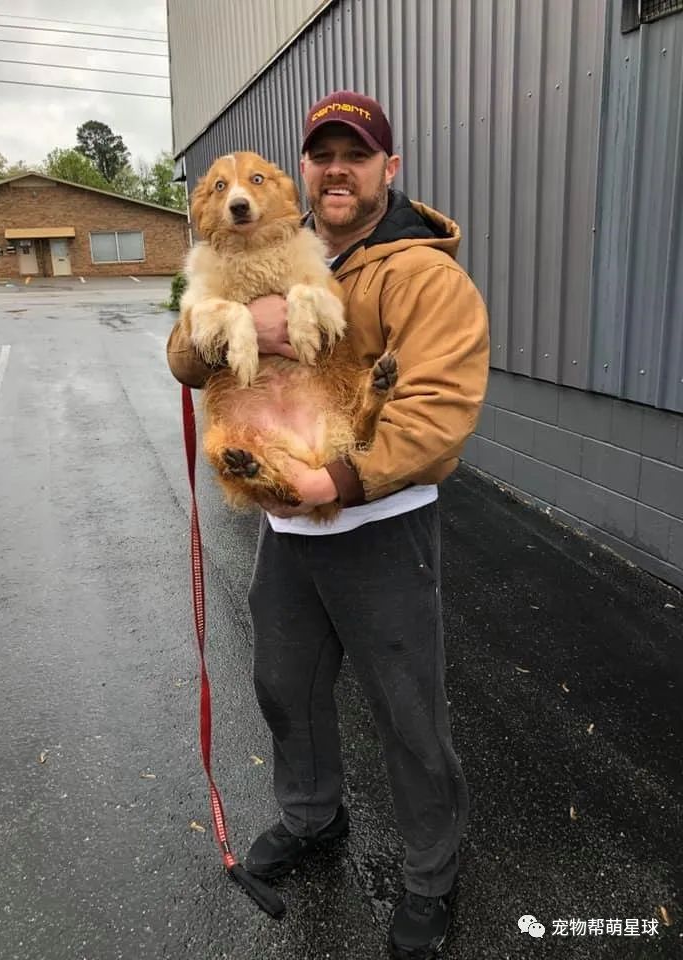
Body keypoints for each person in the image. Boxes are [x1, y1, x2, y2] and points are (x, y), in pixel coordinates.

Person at [167, 90, 489, 960]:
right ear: (300, 170)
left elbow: (442, 409)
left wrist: (336, 476)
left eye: (357, 155)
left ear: (390, 169)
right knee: (286, 687)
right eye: (323, 155)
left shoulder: (423, 274)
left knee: (407, 710)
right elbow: (183, 355)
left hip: (379, 525)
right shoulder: (272, 246)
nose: (336, 169)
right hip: (287, 531)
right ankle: (314, 820)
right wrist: (244, 330)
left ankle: (431, 873)